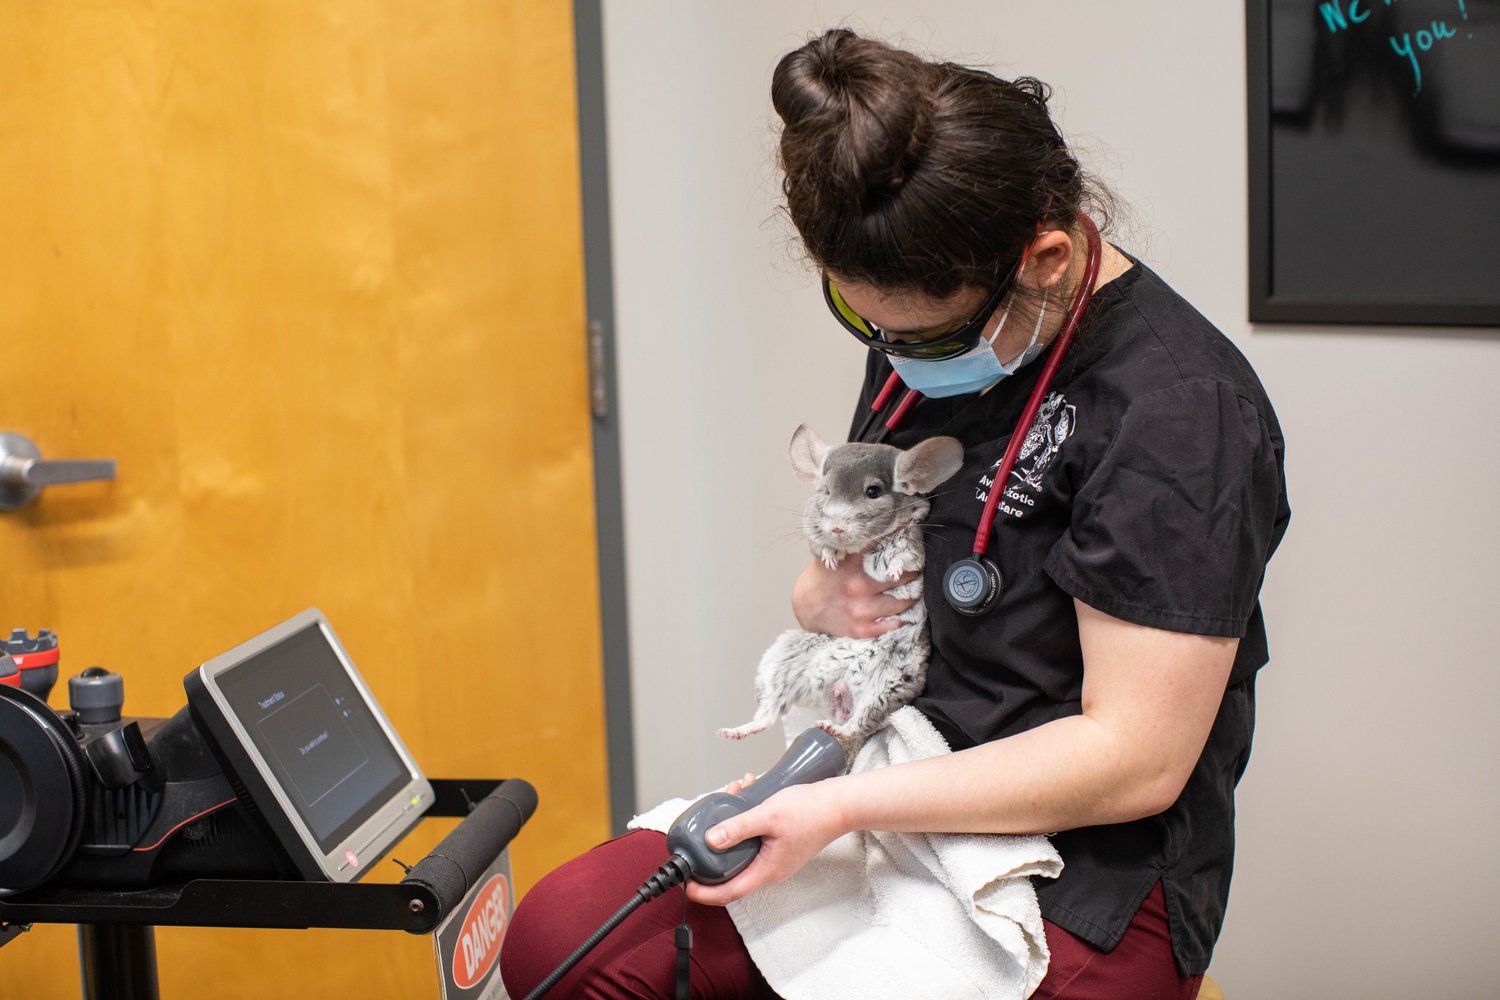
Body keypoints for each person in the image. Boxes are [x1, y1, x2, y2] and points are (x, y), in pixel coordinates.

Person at [500, 28, 1288, 1000]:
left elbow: (1133, 760)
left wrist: (837, 808)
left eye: (920, 332)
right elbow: (859, 565)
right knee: (564, 942)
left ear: (1043, 258)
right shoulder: (938, 336)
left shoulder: (1180, 413)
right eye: (868, 322)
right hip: (893, 766)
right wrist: (818, 600)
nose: (896, 354)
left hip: (1084, 864)